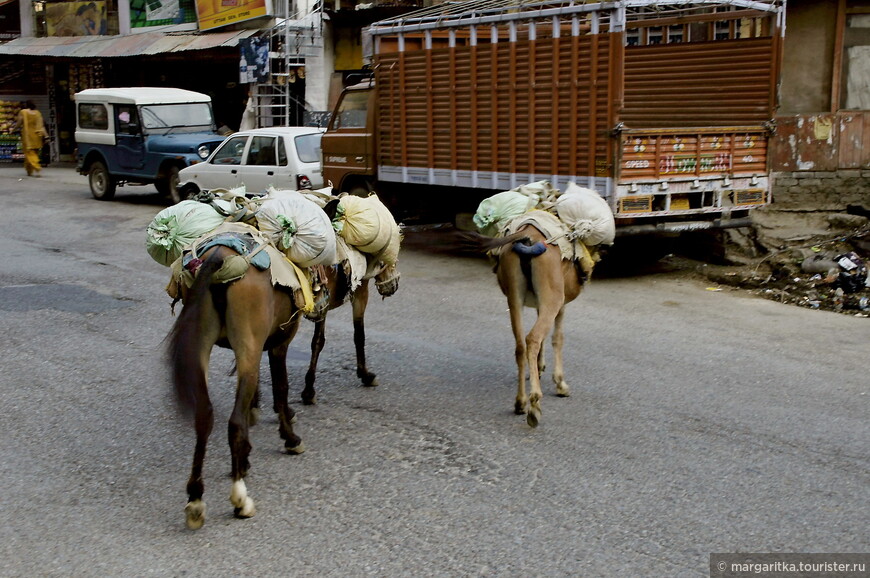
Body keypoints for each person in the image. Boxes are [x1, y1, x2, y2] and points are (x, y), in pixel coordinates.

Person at [15, 101, 47, 177]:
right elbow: (41, 126)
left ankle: (37, 167)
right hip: (37, 135)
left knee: (29, 153)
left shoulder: (23, 112)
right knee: (34, 152)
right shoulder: (38, 113)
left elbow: (19, 123)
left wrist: (13, 129)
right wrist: (46, 136)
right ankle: (29, 171)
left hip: (27, 136)